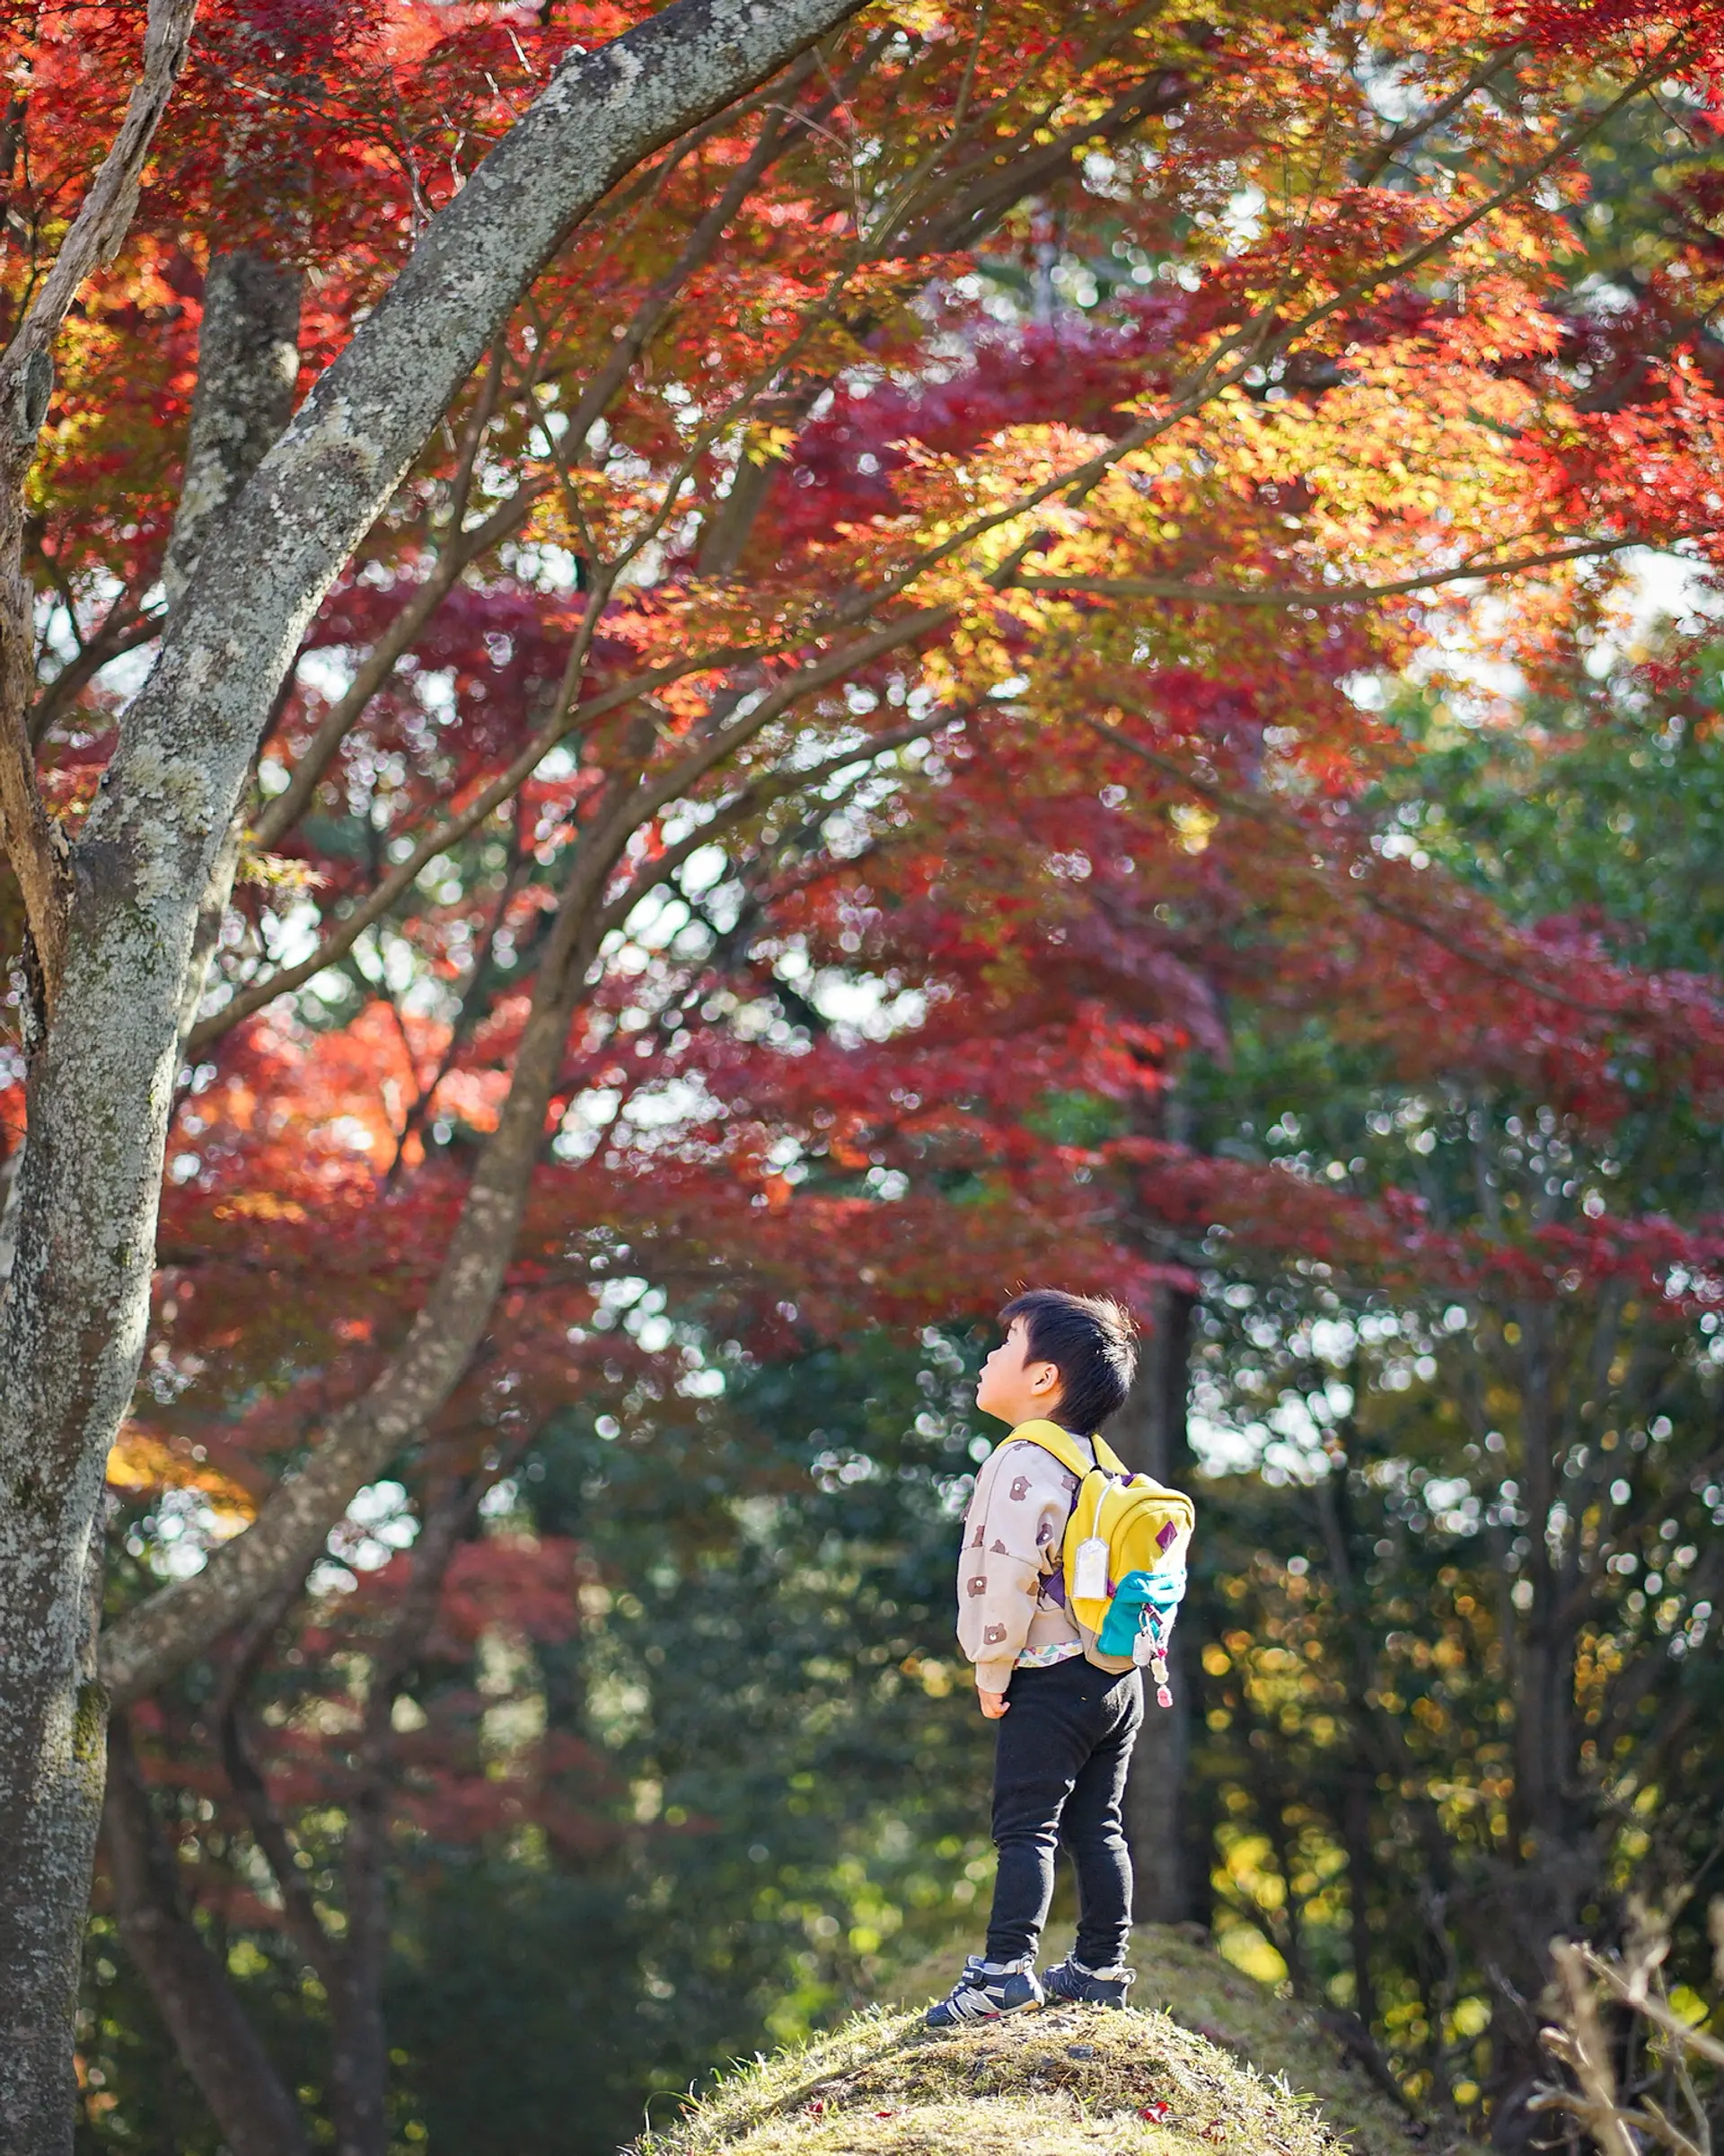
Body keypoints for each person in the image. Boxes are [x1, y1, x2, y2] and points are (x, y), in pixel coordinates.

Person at [928, 1288, 1143, 2027]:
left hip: (1049, 1674)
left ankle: (1002, 1971)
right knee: (1099, 1822)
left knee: (1026, 1826)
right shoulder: (1099, 1462)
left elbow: (1005, 1572)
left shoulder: (1020, 1460)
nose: (987, 1357)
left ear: (1043, 1377)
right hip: (1119, 1673)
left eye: (1004, 1342)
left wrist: (992, 1670)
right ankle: (1100, 1967)